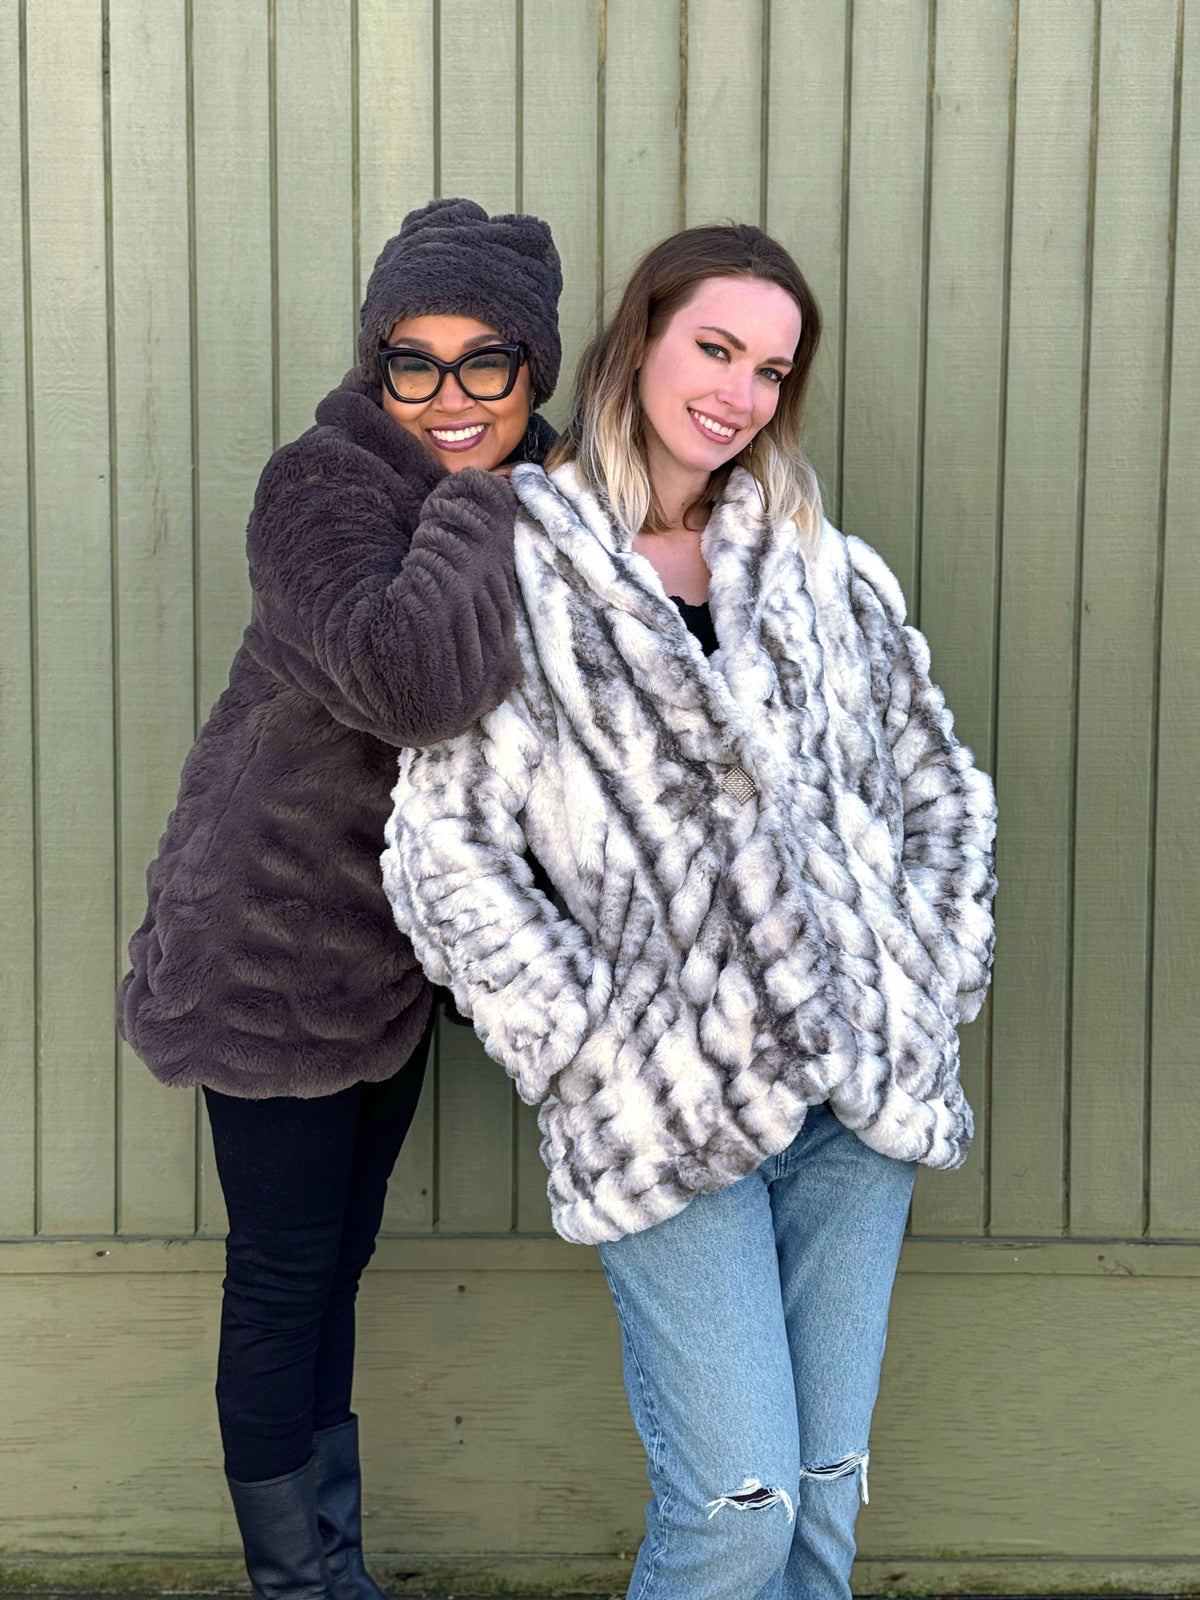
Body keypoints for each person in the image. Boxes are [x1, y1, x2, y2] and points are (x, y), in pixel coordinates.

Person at [380, 223, 997, 1600]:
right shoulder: (521, 566)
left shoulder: (829, 571)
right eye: (715, 348)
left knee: (826, 1501)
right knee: (738, 1507)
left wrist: (929, 968)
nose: (739, 393)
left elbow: (940, 791)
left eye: (772, 370)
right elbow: (445, 848)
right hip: (666, 1113)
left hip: (862, 1091)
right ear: (640, 339)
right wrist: (586, 1041)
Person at [118, 197, 562, 1600]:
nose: (446, 396)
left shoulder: (543, 493)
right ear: (374, 370)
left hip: (379, 971)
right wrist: (490, 492)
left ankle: (336, 1567)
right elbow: (412, 683)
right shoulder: (322, 484)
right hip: (264, 952)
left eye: (484, 363)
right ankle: (298, 1586)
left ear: (534, 370)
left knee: (334, 1265)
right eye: (410, 363)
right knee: (285, 1277)